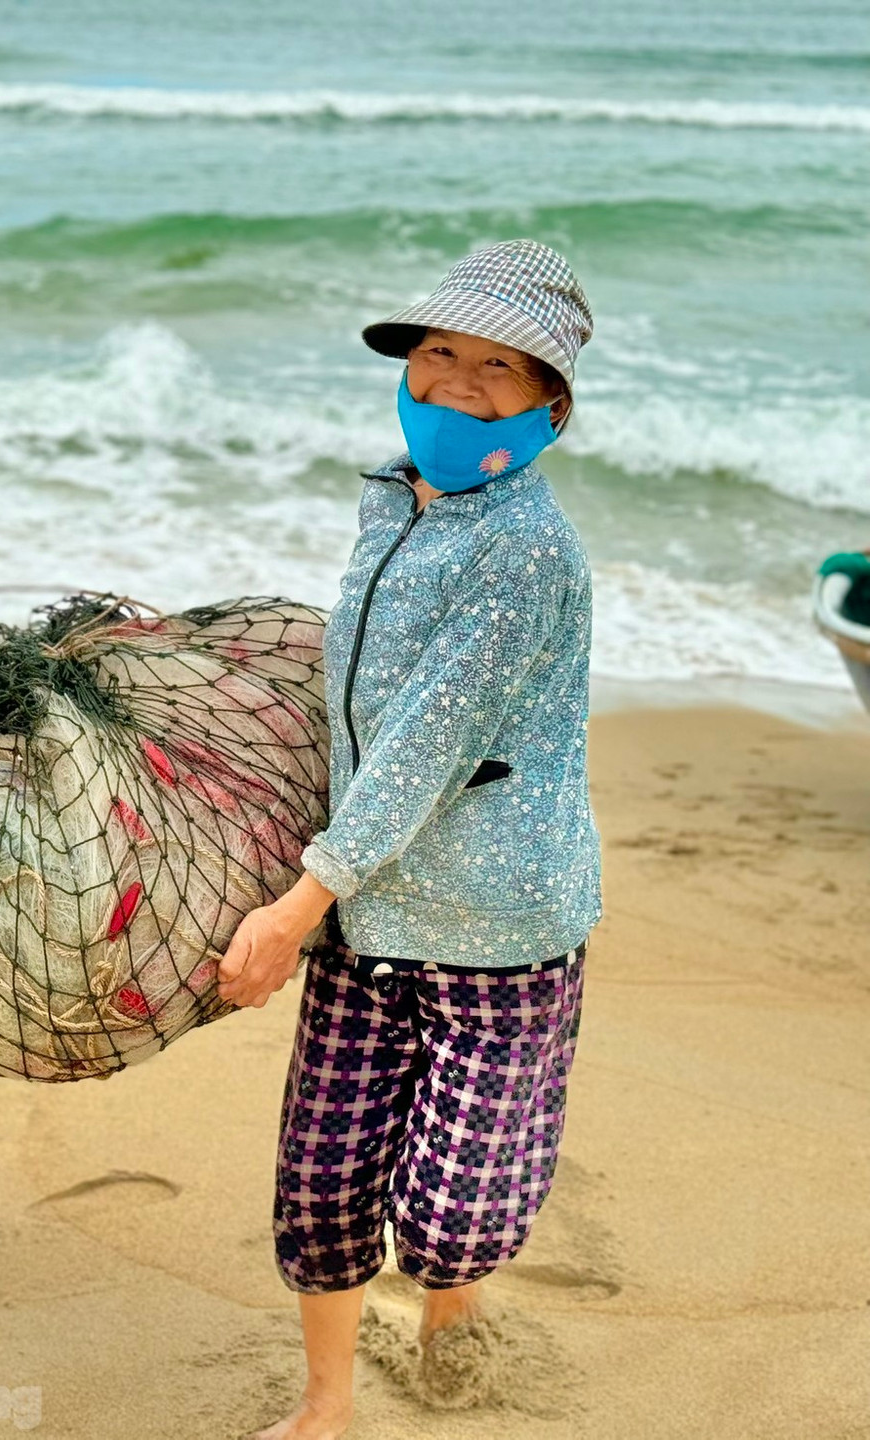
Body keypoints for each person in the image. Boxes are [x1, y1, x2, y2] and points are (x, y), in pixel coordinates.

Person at [216, 240, 604, 1438]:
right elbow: (360, 690)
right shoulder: (394, 500)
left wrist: (293, 905)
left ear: (550, 406)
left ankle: (452, 1302)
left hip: (501, 928)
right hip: (369, 917)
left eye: (498, 368)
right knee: (323, 1188)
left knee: (448, 1221)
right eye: (441, 354)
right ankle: (325, 1404)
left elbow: (428, 746)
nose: (457, 384)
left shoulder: (527, 548)